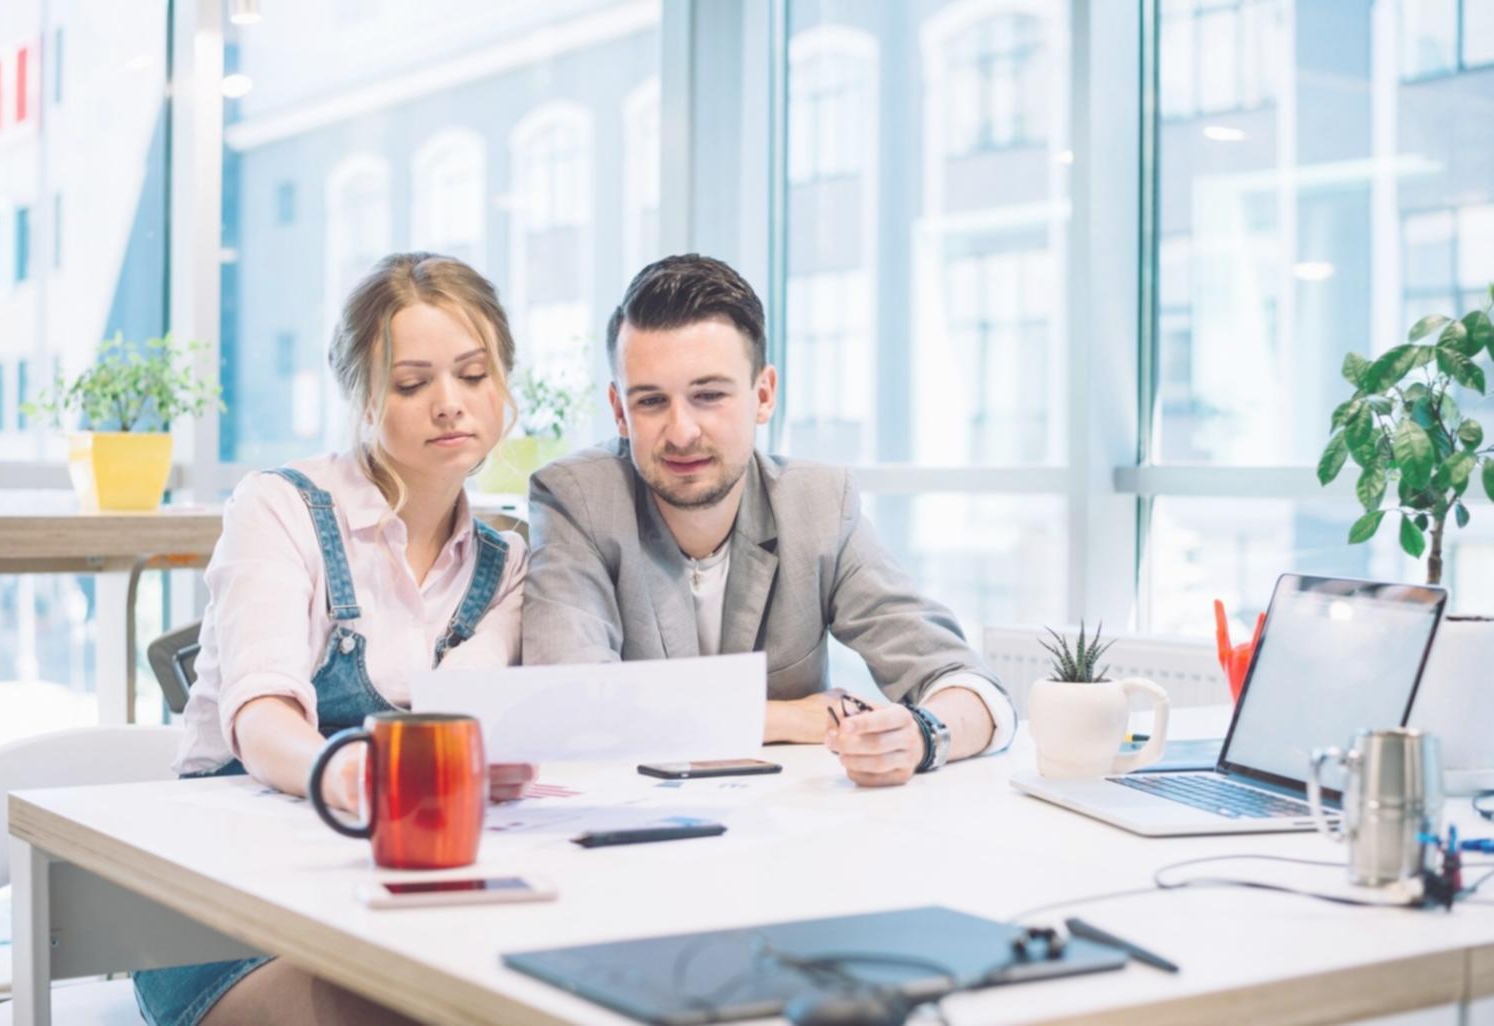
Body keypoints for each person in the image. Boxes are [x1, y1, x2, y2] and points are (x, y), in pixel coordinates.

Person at [134, 252, 533, 1026]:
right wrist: (345, 772)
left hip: (393, 896)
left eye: (473, 375)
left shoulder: (506, 564)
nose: (449, 405)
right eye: (411, 384)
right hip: (229, 913)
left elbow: (463, 707)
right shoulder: (279, 508)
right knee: (412, 1005)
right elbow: (262, 718)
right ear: (360, 397)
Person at [522, 254, 1015, 788]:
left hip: (788, 820)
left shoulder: (819, 505)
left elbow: (970, 685)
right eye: (651, 401)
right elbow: (568, 706)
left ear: (763, 395)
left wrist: (921, 736)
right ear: (619, 411)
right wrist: (787, 718)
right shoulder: (577, 498)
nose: (682, 431)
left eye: (709, 396)